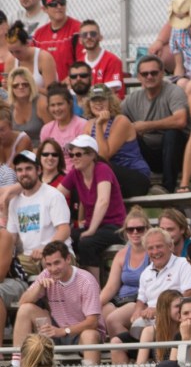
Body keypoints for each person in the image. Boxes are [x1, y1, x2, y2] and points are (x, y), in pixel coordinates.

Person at [12, 240, 106, 367]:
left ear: (68, 259)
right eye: (48, 264)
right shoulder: (46, 274)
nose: (53, 269)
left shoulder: (86, 280)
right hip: (56, 329)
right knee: (25, 309)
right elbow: (22, 303)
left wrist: (62, 331)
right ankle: (16, 366)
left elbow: (92, 322)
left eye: (57, 263)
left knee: (90, 334)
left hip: (80, 334)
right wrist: (38, 287)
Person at [57, 134, 126, 278]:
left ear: (92, 155)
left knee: (87, 243)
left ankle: (94, 288)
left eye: (78, 154)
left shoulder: (102, 169)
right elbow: (55, 195)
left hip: (115, 226)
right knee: (65, 239)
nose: (73, 158)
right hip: (92, 225)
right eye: (71, 154)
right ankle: (74, 281)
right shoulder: (75, 173)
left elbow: (103, 201)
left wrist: (91, 229)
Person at [121, 55, 188, 194]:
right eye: (145, 74)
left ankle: (168, 188)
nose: (149, 76)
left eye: (154, 73)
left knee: (172, 134)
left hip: (177, 154)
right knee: (129, 136)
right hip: (149, 156)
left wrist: (146, 126)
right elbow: (115, 119)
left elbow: (180, 120)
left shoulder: (174, 91)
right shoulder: (133, 99)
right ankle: (134, 187)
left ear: (162, 73)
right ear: (139, 77)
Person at [5, 149, 71, 278]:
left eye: (28, 168)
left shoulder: (53, 195)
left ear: (39, 170)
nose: (24, 173)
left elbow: (64, 230)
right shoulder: (15, 202)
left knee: (49, 265)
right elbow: (11, 238)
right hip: (28, 259)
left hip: (56, 255)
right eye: (19, 170)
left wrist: (45, 249)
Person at [84, 85, 152, 198]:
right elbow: (84, 155)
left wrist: (99, 125)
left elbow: (103, 156)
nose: (98, 103)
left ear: (110, 101)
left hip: (135, 177)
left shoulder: (121, 121)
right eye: (94, 100)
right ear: (89, 103)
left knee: (99, 167)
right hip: (107, 177)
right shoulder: (88, 124)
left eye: (102, 99)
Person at [129, 228, 191, 337]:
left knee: (145, 334)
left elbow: (190, 295)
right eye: (150, 248)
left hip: (173, 320)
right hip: (149, 321)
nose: (155, 252)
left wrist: (159, 311)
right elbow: (141, 300)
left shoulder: (183, 264)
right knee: (116, 342)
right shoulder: (145, 273)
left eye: (159, 246)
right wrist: (137, 311)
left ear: (170, 246)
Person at [100, 206, 151, 338]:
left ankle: (129, 351)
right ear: (125, 231)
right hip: (121, 300)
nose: (135, 232)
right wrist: (93, 306)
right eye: (130, 229)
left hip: (140, 301)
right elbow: (111, 287)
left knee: (112, 319)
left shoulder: (153, 253)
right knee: (101, 311)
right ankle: (121, 350)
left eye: (139, 229)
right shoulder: (121, 255)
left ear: (147, 230)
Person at [32, 0, 81, 81]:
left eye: (62, 2)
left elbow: (82, 64)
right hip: (46, 89)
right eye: (53, 4)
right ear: (44, 9)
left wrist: (62, 87)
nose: (59, 6)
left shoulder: (77, 29)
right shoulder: (39, 34)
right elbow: (31, 63)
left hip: (72, 87)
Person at [5, 67, 50, 156]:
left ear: (31, 85)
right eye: (16, 85)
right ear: (11, 88)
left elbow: (53, 133)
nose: (20, 87)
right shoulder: (8, 106)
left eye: (25, 84)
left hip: (42, 151)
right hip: (17, 153)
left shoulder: (42, 103)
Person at [39, 84, 87, 162]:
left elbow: (83, 159)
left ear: (70, 103)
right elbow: (43, 158)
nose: (56, 109)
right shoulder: (46, 129)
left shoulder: (82, 125)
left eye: (60, 104)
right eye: (52, 105)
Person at [5, 25, 56, 97]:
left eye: (18, 52)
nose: (15, 56)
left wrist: (29, 86)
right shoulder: (10, 60)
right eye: (11, 52)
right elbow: (9, 93)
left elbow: (53, 93)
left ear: (27, 43)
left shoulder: (44, 58)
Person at [77, 20, 124, 95]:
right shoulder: (79, 63)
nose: (89, 37)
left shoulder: (112, 60)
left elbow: (109, 94)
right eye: (85, 35)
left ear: (100, 37)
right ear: (80, 40)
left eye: (93, 34)